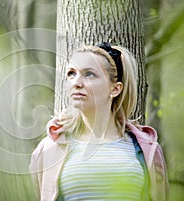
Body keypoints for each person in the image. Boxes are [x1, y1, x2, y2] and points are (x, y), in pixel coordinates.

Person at [29, 43, 169, 201]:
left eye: (89, 74)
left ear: (115, 89)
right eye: (71, 74)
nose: (77, 82)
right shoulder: (49, 149)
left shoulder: (147, 149)